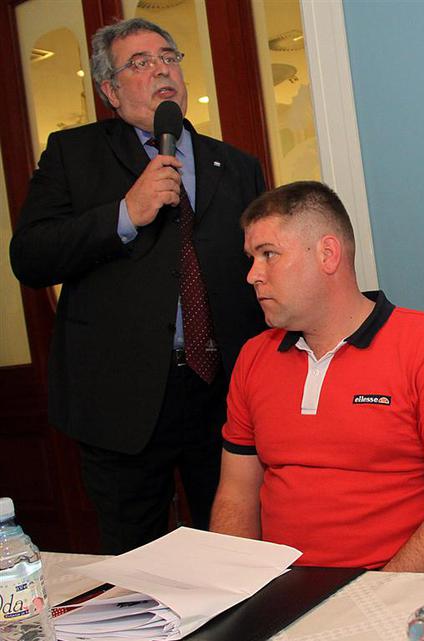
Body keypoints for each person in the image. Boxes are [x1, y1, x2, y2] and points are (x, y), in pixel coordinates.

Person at [9, 18, 267, 554]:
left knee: (236, 550)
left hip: (223, 392)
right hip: (120, 398)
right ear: (109, 90)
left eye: (168, 57)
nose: (161, 70)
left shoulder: (236, 165)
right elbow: (30, 256)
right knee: (136, 561)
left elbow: (260, 267)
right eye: (140, 63)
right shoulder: (73, 154)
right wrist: (125, 213)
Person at [210, 181, 424, 571]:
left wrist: (375, 595)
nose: (253, 275)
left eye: (269, 254)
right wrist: (235, 584)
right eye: (252, 258)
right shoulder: (254, 357)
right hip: (279, 589)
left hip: (394, 585)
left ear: (328, 254)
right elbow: (236, 495)